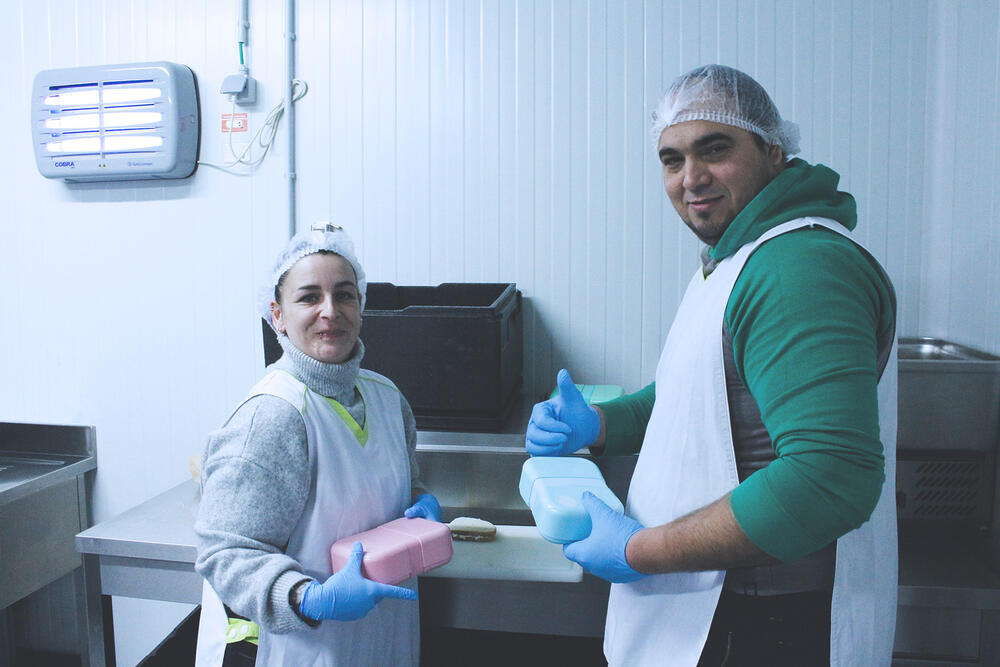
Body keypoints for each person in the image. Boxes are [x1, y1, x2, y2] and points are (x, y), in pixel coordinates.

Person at [526, 64, 897, 666]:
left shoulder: (797, 266)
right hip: (719, 602)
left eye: (715, 150)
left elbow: (829, 478)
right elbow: (696, 396)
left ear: (773, 149)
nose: (690, 179)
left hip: (759, 619)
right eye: (671, 160)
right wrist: (599, 423)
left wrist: (641, 550)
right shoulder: (737, 255)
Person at [194, 223, 442, 666]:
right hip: (298, 647)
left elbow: (397, 487)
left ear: (361, 307)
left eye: (345, 295)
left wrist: (418, 506)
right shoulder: (272, 416)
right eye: (309, 297)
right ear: (277, 315)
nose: (330, 311)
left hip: (381, 639)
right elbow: (225, 554)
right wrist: (308, 599)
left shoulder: (386, 398)